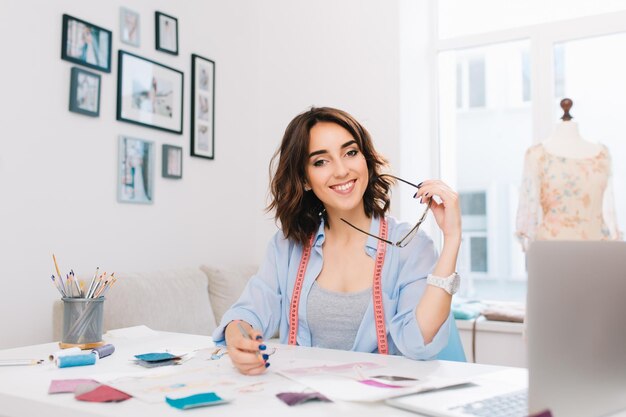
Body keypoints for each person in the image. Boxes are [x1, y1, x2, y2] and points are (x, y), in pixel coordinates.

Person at [212, 107, 463, 375]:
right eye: (321, 161)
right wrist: (238, 338)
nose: (342, 170)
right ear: (305, 179)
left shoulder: (410, 245)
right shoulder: (287, 246)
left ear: (365, 159)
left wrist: (452, 238)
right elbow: (248, 313)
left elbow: (419, 345)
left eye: (350, 153)